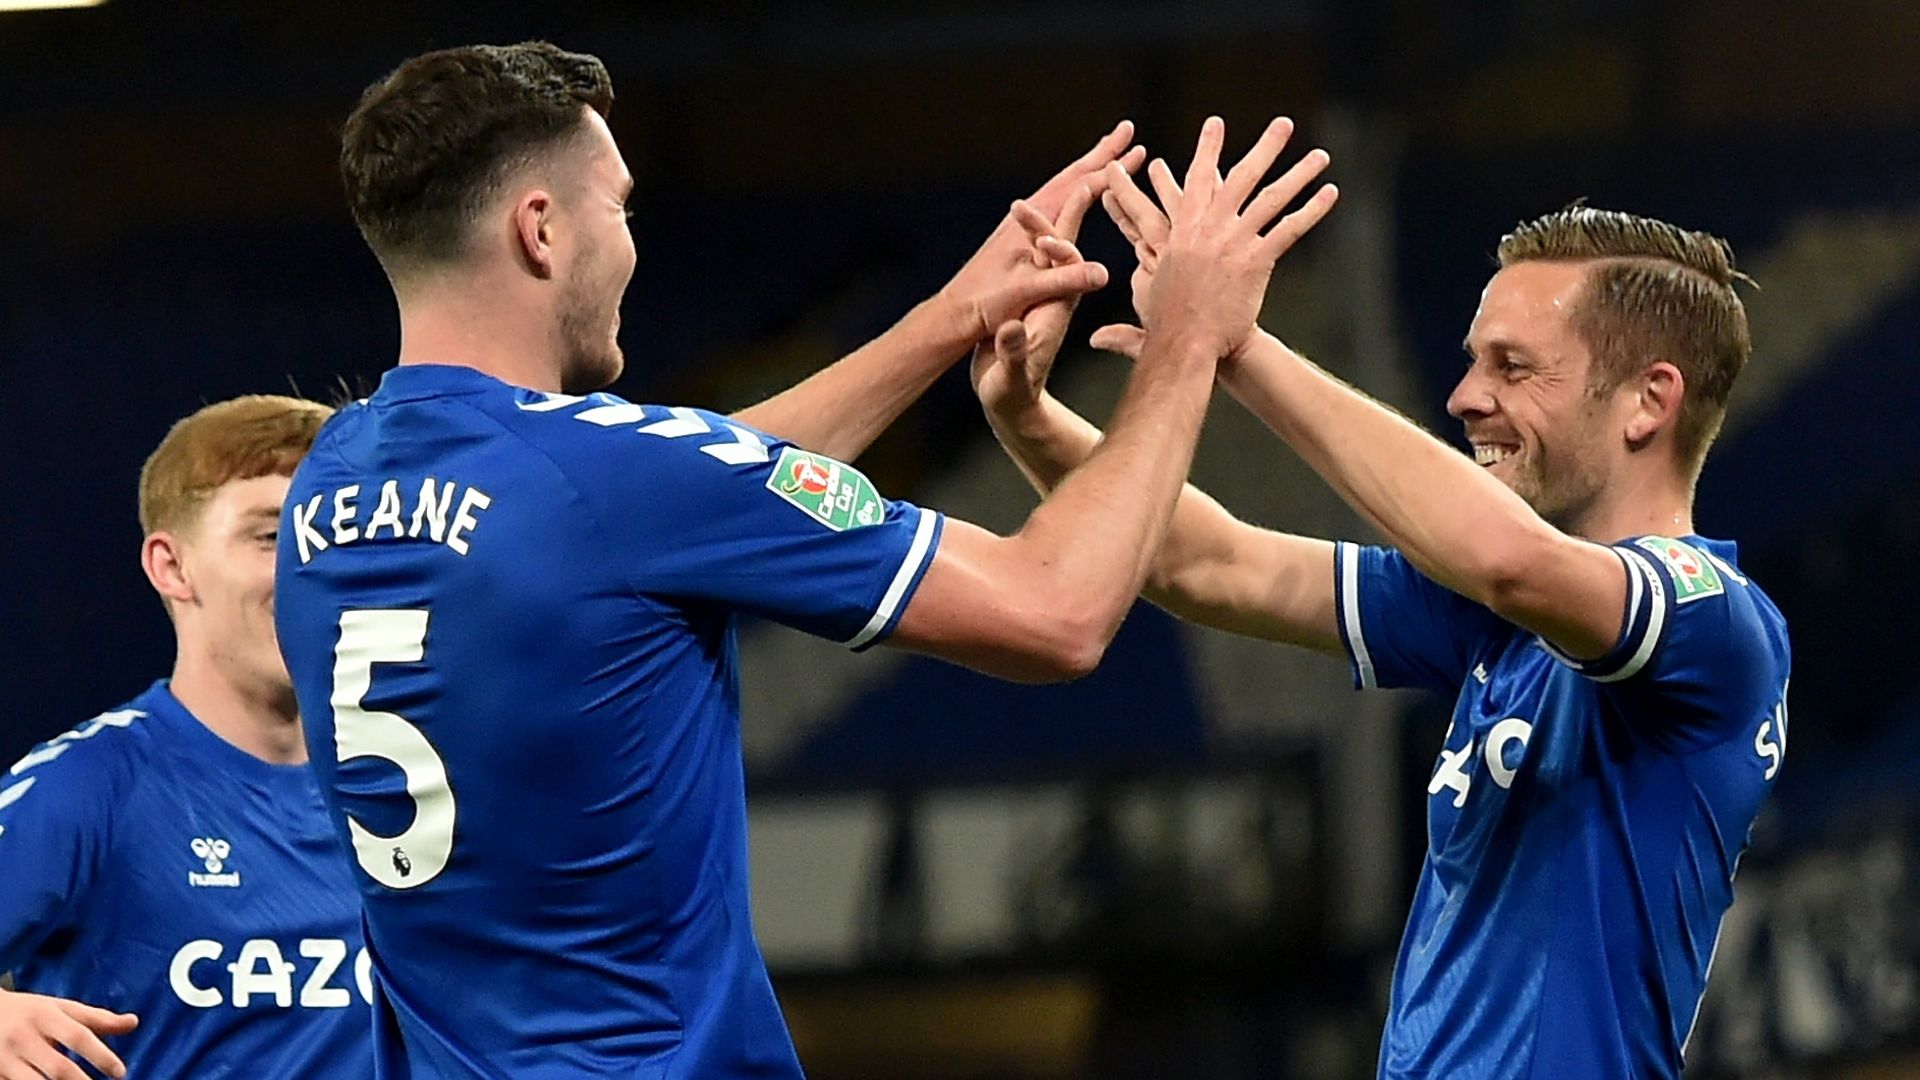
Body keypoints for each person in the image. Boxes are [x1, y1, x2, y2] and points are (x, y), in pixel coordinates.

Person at [271, 40, 1336, 1079]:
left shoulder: (333, 481)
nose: (631, 242)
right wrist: (1189, 340)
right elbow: (1055, 612)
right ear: (540, 230)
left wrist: (945, 322)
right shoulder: (610, 482)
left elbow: (685, 488)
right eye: (619, 206)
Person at [975, 161, 1791, 1078]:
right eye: (1476, 361)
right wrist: (1028, 418)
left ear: (1651, 400)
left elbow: (1511, 561)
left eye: (1513, 367)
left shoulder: (1712, 620)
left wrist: (1237, 347)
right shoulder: (1492, 621)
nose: (1466, 397)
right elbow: (1207, 562)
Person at [0, 396, 373, 1080]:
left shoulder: (418, 791)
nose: (312, 569)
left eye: (335, 538)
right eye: (271, 537)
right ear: (172, 567)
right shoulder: (89, 785)